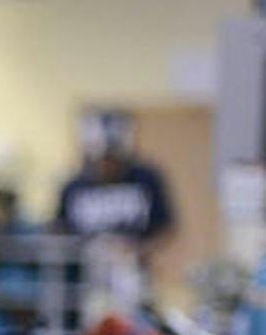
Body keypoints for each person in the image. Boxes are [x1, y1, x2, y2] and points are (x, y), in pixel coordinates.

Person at [54, 107, 176, 250]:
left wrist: (140, 249)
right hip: (84, 266)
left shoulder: (145, 180)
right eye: (102, 159)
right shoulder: (74, 187)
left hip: (135, 265)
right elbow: (60, 229)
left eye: (113, 158)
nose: (107, 165)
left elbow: (166, 228)